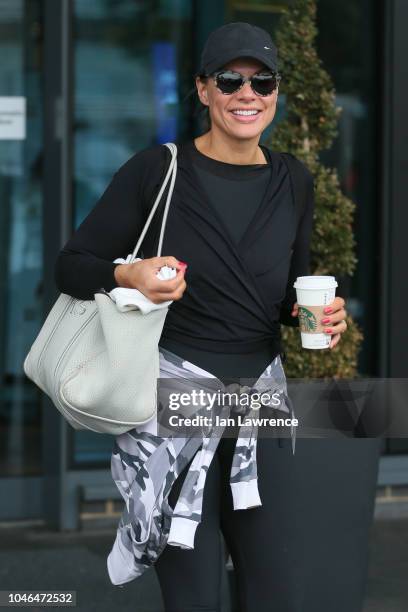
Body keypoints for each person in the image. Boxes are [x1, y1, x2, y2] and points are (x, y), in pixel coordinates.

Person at [55, 22, 349, 612]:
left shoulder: (292, 179)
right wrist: (127, 273)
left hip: (260, 406)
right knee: (194, 595)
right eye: (230, 80)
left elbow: (289, 292)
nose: (248, 93)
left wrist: (315, 313)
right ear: (203, 90)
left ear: (276, 92)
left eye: (261, 81)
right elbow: (70, 266)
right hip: (173, 408)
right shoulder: (158, 172)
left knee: (274, 591)